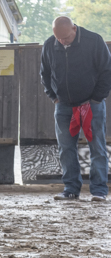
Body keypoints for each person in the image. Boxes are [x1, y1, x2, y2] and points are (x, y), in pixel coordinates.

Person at [40, 16, 111, 202]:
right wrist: (53, 97)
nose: (63, 42)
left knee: (97, 147)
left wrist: (97, 98)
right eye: (59, 39)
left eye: (66, 38)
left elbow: (107, 70)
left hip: (92, 104)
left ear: (74, 28)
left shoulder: (94, 41)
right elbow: (44, 73)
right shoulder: (49, 45)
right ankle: (71, 189)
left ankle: (99, 190)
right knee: (65, 148)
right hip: (63, 105)